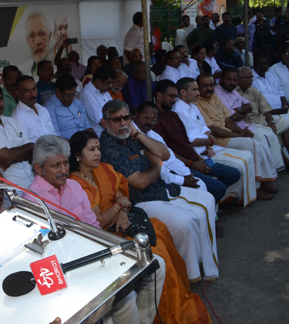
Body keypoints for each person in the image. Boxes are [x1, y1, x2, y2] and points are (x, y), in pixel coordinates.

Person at [68, 131, 213, 324]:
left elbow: (123, 196)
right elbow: (100, 220)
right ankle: (162, 313)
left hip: (123, 222)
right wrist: (119, 207)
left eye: (99, 149)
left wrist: (120, 210)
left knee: (160, 233)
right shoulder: (75, 183)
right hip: (104, 236)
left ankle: (174, 303)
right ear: (78, 155)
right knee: (154, 251)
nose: (97, 153)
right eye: (91, 150)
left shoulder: (105, 169)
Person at [24, 135, 165, 324]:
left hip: (92, 250)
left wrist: (111, 249)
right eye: (55, 165)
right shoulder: (31, 199)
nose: (63, 170)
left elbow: (92, 225)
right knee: (125, 296)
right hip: (64, 265)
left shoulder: (73, 186)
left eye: (65, 163)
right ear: (39, 169)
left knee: (156, 264)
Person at [98, 99, 219, 282]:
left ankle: (205, 264)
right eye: (117, 120)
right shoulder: (108, 146)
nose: (123, 123)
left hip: (161, 189)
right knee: (187, 221)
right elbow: (140, 182)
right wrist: (156, 165)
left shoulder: (131, 136)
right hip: (141, 200)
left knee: (207, 199)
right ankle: (189, 273)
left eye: (126, 118)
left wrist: (138, 134)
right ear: (105, 123)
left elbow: (165, 153)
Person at [152, 79, 241, 204]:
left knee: (234, 174)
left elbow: (186, 143)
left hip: (195, 158)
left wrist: (199, 160)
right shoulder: (155, 120)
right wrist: (192, 164)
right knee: (219, 188)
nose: (174, 100)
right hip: (181, 165)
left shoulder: (173, 115)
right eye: (171, 96)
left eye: (175, 96)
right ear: (160, 96)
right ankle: (208, 205)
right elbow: (167, 152)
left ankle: (211, 201)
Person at [195, 74, 278, 200]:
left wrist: (241, 131)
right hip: (218, 140)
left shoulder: (214, 97)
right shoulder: (197, 103)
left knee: (256, 140)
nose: (209, 88)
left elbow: (228, 120)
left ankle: (261, 182)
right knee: (252, 144)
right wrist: (238, 135)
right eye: (204, 86)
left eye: (211, 85)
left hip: (229, 135)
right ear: (198, 88)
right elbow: (212, 129)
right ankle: (257, 186)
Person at [215, 69, 284, 171]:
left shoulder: (233, 91)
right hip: (233, 128)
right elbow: (232, 117)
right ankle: (266, 172)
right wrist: (243, 113)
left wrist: (239, 112)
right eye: (229, 79)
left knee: (270, 135)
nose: (232, 83)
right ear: (221, 79)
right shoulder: (218, 92)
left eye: (235, 80)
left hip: (244, 124)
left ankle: (275, 168)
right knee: (261, 138)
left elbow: (249, 107)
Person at [134, 102, 209, 194]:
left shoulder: (154, 135)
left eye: (154, 120)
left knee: (200, 184)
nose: (149, 122)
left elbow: (171, 159)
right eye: (146, 117)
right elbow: (158, 166)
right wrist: (182, 180)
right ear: (136, 115)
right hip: (157, 183)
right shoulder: (133, 136)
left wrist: (187, 175)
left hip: (173, 176)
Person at [236, 67, 289, 164]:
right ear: (238, 79)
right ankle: (284, 162)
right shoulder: (233, 92)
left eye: (251, 77)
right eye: (248, 77)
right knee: (270, 134)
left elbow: (265, 109)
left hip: (261, 119)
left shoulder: (253, 90)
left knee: (286, 124)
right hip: (249, 123)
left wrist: (271, 122)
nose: (251, 80)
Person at [44, 74, 93, 140]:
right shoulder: (49, 108)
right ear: (58, 92)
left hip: (84, 143)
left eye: (74, 94)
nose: (73, 98)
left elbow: (87, 126)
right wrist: (75, 146)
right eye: (69, 95)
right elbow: (55, 136)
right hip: (66, 147)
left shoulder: (77, 103)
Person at [11, 76, 56, 143]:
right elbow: (23, 148)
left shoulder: (42, 109)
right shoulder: (18, 117)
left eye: (34, 89)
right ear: (17, 93)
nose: (32, 94)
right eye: (27, 91)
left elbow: (53, 135)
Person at [80, 65, 116, 135]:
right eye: (109, 83)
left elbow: (115, 108)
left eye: (112, 83)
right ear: (99, 81)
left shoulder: (104, 91)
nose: (111, 86)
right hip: (99, 135)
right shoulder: (86, 95)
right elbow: (102, 120)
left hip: (111, 129)